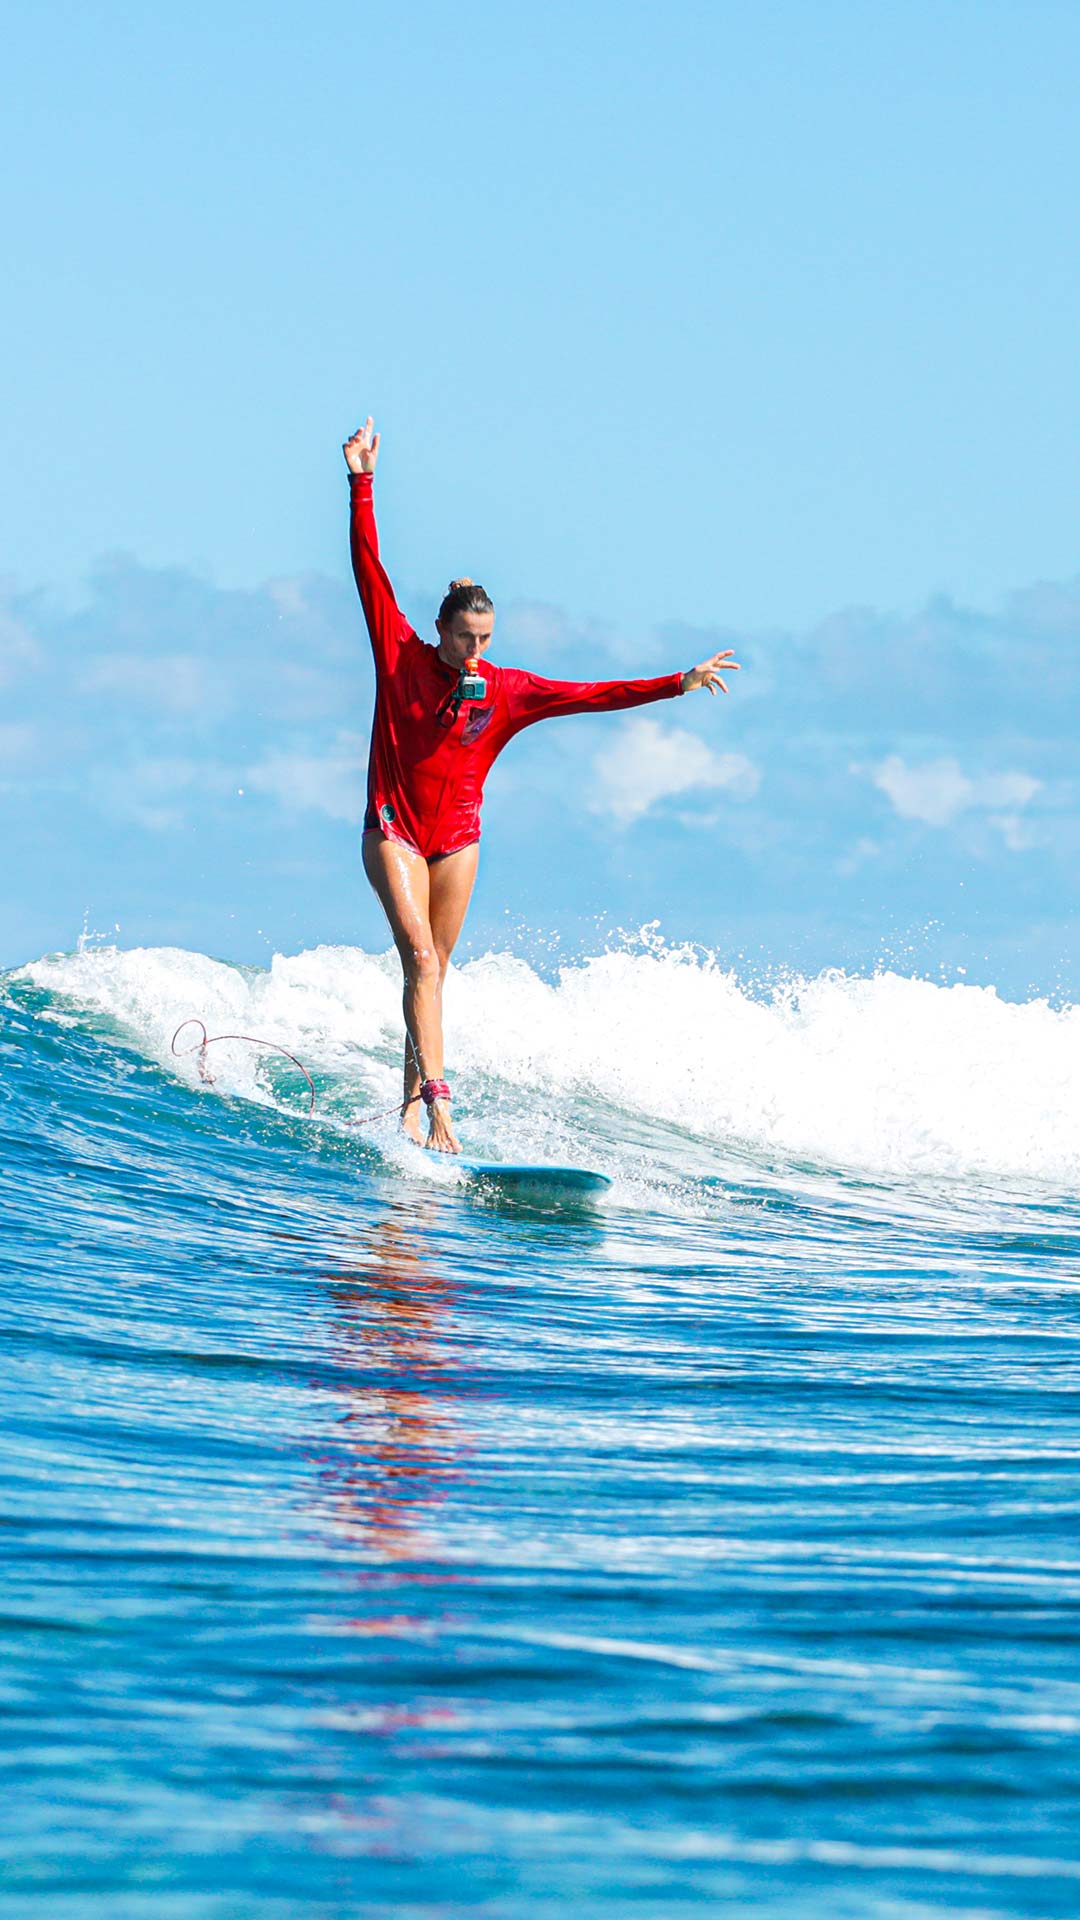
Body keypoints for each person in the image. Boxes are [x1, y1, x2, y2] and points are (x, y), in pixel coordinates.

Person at [344, 415, 740, 1153]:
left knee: (432, 972)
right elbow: (369, 570)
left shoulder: (508, 688)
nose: (476, 649)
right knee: (420, 958)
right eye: (466, 637)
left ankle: (403, 1109)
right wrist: (361, 481)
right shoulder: (399, 653)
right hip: (393, 824)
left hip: (457, 839)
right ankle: (438, 1114)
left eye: (486, 639)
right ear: (438, 629)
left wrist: (676, 684)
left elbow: (593, 695)